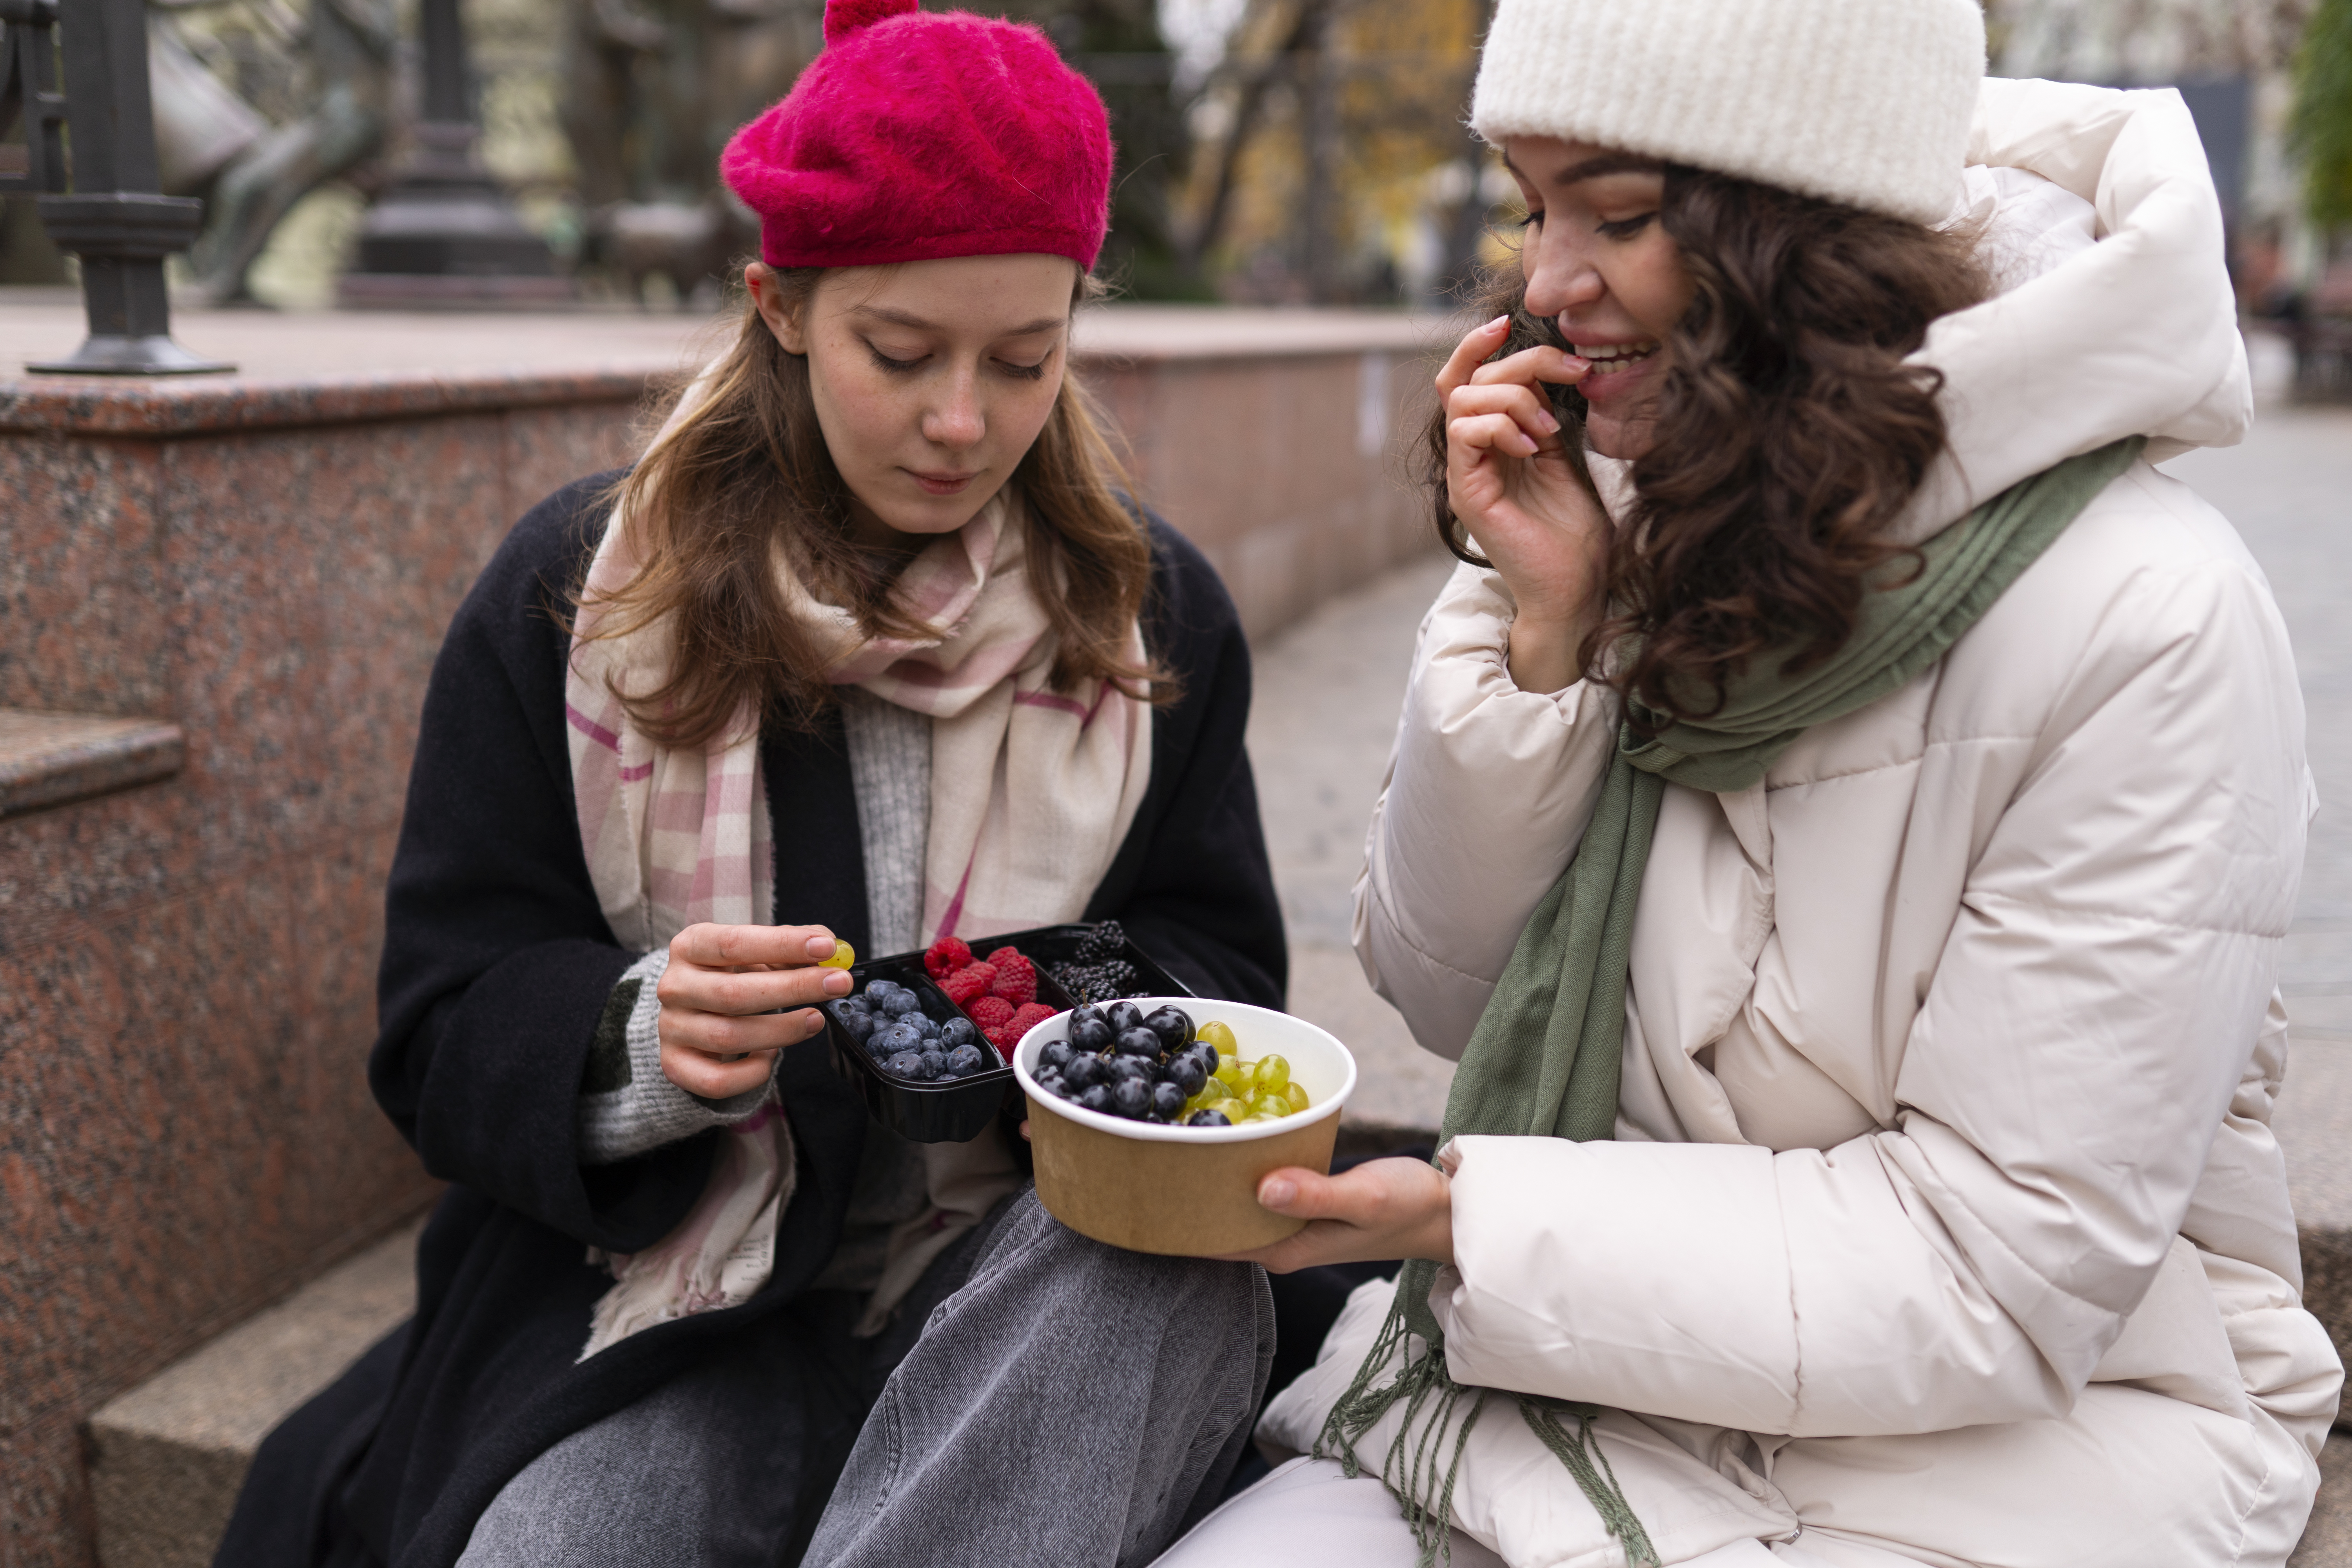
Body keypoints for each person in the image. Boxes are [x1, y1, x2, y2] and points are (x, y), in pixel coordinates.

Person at [1157, 1, 2344, 1564]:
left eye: (1622, 215)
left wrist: (1484, 1224)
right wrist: (1551, 640)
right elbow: (1445, 990)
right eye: (1534, 207)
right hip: (1573, 1370)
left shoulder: (2145, 619)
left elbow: (1998, 1278)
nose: (1547, 284)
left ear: (1811, 232)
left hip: (2032, 1447)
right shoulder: (1612, 511)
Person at [212, 2, 1287, 1563]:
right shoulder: (577, 600)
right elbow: (441, 1025)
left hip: (1021, 1275)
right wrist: (638, 1034)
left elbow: (1224, 967)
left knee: (1165, 1280)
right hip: (669, 1297)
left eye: (1027, 359)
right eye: (900, 352)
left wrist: (1087, 1027)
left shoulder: (1151, 618)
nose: (960, 422)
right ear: (780, 304)